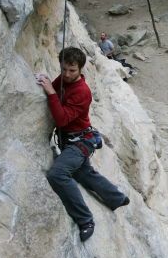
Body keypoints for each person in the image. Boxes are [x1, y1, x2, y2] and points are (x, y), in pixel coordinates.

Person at [36, 47, 129, 242]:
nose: (67, 74)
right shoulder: (63, 79)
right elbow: (54, 93)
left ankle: (85, 220)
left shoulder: (82, 92)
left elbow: (62, 120)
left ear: (80, 69)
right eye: (64, 69)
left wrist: (52, 92)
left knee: (58, 175)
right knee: (82, 172)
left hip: (80, 142)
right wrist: (49, 85)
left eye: (72, 70)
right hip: (73, 140)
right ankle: (117, 197)